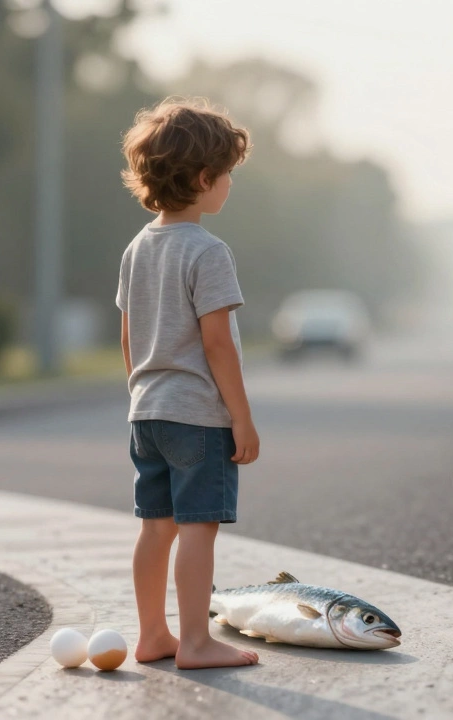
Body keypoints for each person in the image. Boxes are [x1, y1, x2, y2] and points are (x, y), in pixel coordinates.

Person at [116, 98, 262, 668]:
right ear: (204, 179)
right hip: (198, 416)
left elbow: (129, 337)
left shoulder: (137, 248)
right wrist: (241, 419)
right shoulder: (208, 251)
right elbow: (217, 344)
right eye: (226, 174)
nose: (229, 184)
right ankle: (196, 641)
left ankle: (153, 634)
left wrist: (143, 395)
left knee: (156, 529)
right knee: (199, 527)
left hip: (147, 411)